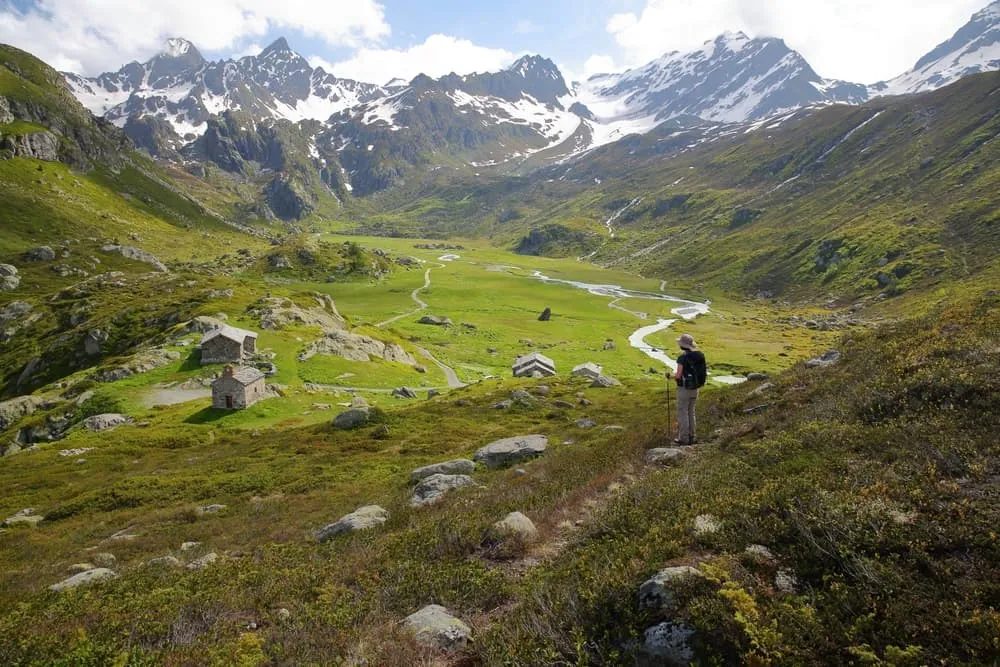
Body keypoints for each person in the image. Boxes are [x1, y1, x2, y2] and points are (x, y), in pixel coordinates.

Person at [673, 333, 706, 445]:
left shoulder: (682, 358)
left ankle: (683, 439)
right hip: (695, 388)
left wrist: (671, 376)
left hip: (684, 389)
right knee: (691, 412)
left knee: (682, 413)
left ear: (682, 346)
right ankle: (692, 436)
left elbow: (678, 375)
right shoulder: (700, 355)